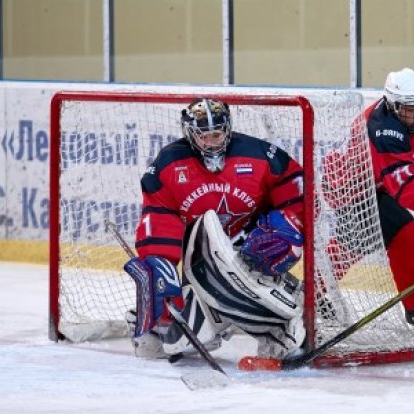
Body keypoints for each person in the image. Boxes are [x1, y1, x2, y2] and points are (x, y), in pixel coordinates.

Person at [123, 97, 307, 362]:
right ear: (190, 135)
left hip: (249, 250)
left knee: (264, 297)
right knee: (187, 340)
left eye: (217, 134)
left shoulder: (258, 154)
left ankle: (275, 331)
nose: (212, 142)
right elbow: (159, 217)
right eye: (205, 136)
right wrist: (160, 266)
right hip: (198, 260)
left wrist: (288, 228)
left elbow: (297, 190)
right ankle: (149, 322)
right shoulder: (169, 164)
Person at [324, 67, 414, 331]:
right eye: (408, 108)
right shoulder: (383, 129)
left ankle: (312, 291)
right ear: (392, 105)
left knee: (358, 244)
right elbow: (402, 184)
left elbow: (411, 143)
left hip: (373, 182)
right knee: (398, 232)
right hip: (349, 188)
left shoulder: (409, 115)